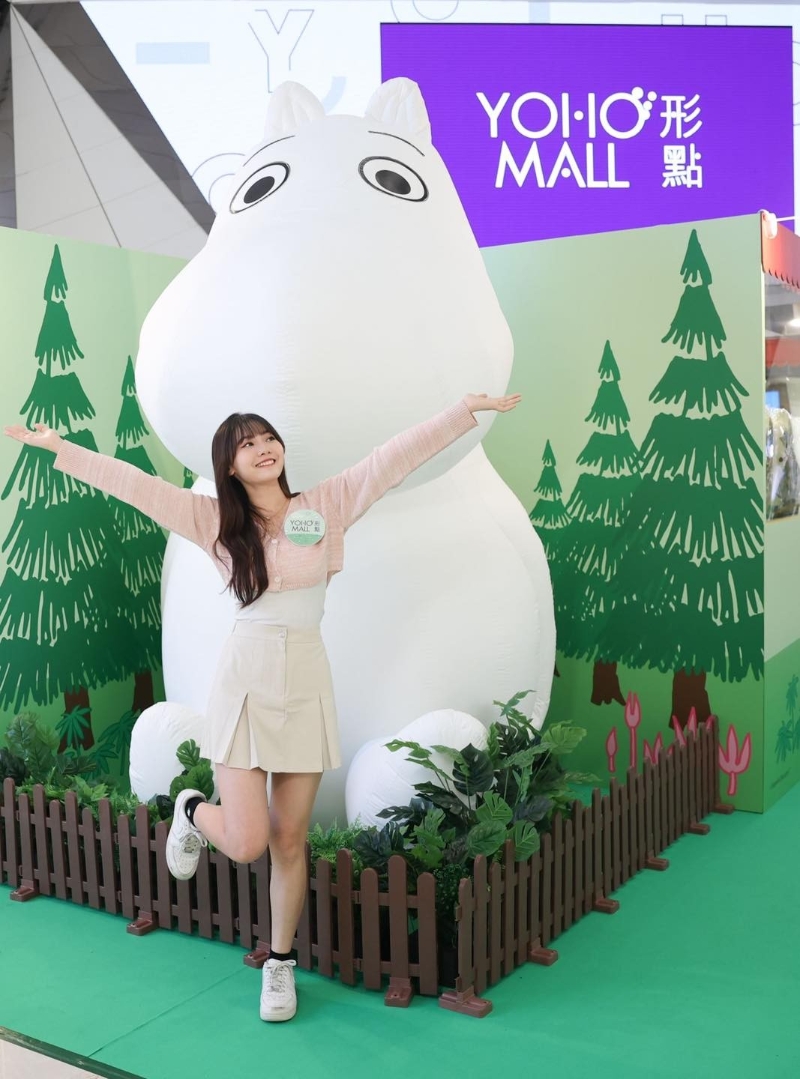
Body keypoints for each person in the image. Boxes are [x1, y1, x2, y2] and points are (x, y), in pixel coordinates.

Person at [4, 391, 520, 1021]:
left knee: (288, 840)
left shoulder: (325, 506)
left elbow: (392, 459)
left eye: (268, 437)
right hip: (245, 682)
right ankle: (191, 810)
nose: (263, 448)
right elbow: (136, 486)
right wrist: (61, 448)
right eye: (246, 443)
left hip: (306, 680)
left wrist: (465, 409)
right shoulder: (213, 522)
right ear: (229, 464)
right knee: (249, 841)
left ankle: (279, 963)